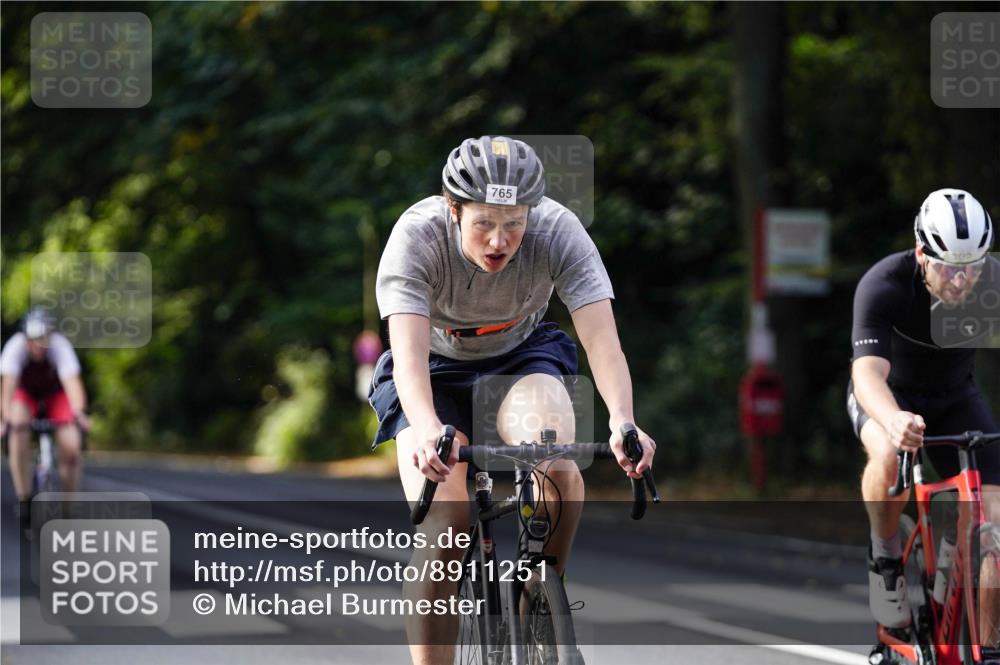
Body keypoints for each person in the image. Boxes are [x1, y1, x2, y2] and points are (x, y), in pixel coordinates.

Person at [369, 135, 656, 664]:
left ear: (532, 212)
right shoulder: (417, 236)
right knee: (447, 523)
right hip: (432, 367)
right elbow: (406, 355)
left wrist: (623, 421)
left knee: (559, 469)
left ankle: (541, 594)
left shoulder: (557, 230)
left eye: (513, 222)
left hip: (519, 357)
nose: (500, 240)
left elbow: (601, 340)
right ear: (454, 211)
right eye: (483, 223)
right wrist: (430, 426)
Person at [849, 188, 1000, 630]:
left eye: (973, 267)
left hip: (955, 399)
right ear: (921, 253)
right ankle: (886, 556)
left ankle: (988, 650)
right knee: (888, 460)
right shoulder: (885, 284)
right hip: (891, 397)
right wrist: (893, 418)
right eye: (950, 267)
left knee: (995, 532)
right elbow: (867, 376)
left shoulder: (992, 282)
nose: (962, 280)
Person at [1, 307, 91, 524]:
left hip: (55, 395)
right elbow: (8, 389)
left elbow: (72, 385)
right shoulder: (15, 348)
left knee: (71, 448)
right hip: (26, 395)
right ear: (27, 338)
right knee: (17, 429)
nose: (40, 346)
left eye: (44, 339)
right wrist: (4, 420)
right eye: (35, 340)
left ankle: (69, 508)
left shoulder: (60, 347)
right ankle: (24, 498)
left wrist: (79, 414)